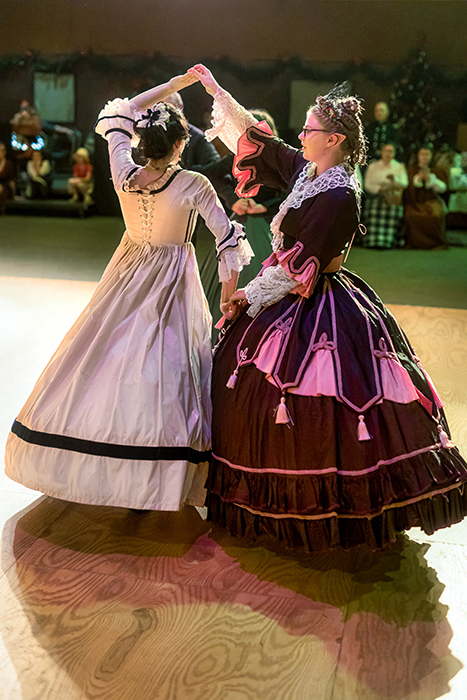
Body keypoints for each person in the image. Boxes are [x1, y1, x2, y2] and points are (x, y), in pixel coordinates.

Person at [190, 64, 467, 553]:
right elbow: (257, 141)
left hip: (315, 299)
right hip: (290, 290)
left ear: (334, 139)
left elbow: (299, 269)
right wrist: (216, 91)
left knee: (315, 399)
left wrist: (246, 296)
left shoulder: (339, 193)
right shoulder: (312, 174)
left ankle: (327, 510)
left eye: (310, 129)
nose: (301, 134)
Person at [4, 72, 252, 511]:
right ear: (180, 146)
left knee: (108, 351)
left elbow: (120, 108)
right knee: (165, 360)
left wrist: (171, 84)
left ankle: (107, 450)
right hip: (172, 274)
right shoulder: (193, 183)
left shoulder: (123, 170)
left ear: (142, 142)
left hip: (129, 264)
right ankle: (155, 465)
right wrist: (226, 299)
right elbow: (227, 242)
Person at [361, 143, 408, 248]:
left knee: (392, 212)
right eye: (386, 151)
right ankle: (372, 241)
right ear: (382, 152)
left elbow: (404, 184)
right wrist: (379, 190)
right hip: (376, 196)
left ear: (394, 153)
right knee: (373, 211)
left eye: (390, 151)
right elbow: (367, 184)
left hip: (392, 196)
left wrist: (393, 182)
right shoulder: (373, 166)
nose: (388, 154)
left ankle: (388, 242)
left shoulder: (399, 167)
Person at [403, 146, 449, 250]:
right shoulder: (411, 170)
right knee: (412, 215)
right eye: (422, 154)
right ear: (418, 156)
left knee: (436, 215)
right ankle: (416, 243)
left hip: (432, 200)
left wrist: (431, 180)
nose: (424, 157)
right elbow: (408, 187)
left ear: (431, 156)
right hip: (415, 201)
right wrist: (418, 179)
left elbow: (443, 188)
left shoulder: (437, 171)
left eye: (427, 154)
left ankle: (435, 243)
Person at [0, 141, 16, 212]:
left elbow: (11, 180)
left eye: (2, 150)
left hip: (5, 186)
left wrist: (14, 193)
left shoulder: (9, 164)